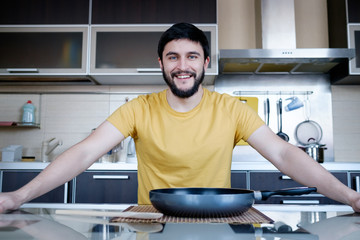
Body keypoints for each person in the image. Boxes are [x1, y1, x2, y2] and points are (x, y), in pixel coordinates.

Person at [0, 23, 359, 213]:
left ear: (205, 63)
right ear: (161, 63)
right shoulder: (139, 108)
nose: (182, 66)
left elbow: (283, 155)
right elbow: (82, 153)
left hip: (216, 222)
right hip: (151, 223)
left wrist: (352, 198)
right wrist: (18, 196)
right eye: (173, 57)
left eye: (191, 56)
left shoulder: (231, 109)